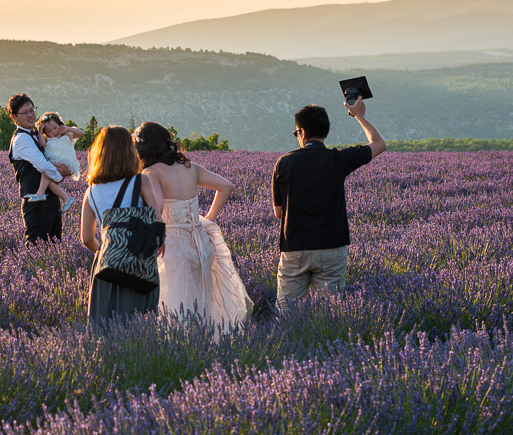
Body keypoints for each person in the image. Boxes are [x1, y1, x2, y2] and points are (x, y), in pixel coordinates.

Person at [271, 96, 386, 311]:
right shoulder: (339, 159)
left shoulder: (284, 162)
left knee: (286, 313)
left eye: (297, 133)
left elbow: (279, 212)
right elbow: (379, 144)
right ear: (326, 131)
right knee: (328, 314)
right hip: (332, 247)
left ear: (302, 132)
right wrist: (359, 115)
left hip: (295, 247)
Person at [135, 121, 252, 327]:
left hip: (172, 245)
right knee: (203, 299)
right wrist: (207, 221)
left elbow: (158, 207)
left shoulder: (151, 172)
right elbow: (226, 186)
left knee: (175, 302)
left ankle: (180, 348)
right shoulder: (190, 166)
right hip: (201, 244)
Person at [81, 125, 164, 326]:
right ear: (130, 151)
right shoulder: (141, 181)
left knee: (103, 326)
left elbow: (86, 238)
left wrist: (110, 251)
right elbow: (158, 223)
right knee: (139, 326)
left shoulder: (91, 191)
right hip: (138, 264)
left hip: (106, 268)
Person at [7, 94, 77, 243]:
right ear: (14, 117)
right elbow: (43, 165)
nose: (31, 115)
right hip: (35, 202)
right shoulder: (22, 139)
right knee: (36, 248)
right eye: (24, 112)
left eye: (32, 110)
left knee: (55, 245)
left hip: (51, 200)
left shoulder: (37, 135)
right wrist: (62, 174)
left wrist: (68, 170)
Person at [23, 111, 85, 212]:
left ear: (60, 125)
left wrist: (67, 128)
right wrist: (39, 132)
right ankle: (66, 198)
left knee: (46, 171)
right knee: (49, 179)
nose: (54, 132)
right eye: (49, 131)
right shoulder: (49, 140)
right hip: (56, 164)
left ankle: (41, 193)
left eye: (55, 128)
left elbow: (82, 133)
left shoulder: (67, 135)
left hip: (67, 163)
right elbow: (43, 144)